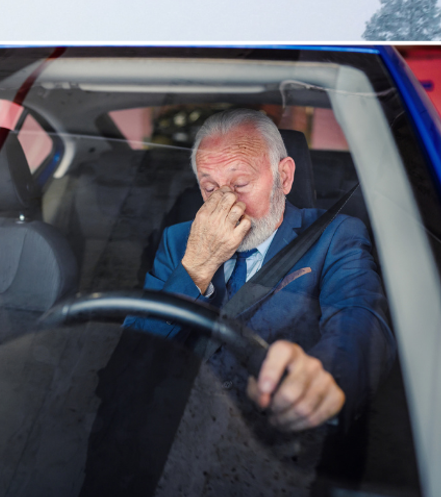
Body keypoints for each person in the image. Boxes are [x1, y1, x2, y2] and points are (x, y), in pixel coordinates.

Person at [131, 108, 395, 432]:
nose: (227, 203)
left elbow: (360, 320)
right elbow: (135, 350)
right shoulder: (179, 240)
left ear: (283, 177)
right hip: (178, 426)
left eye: (240, 182)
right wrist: (197, 266)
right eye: (210, 188)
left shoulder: (336, 235)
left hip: (269, 435)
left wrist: (323, 377)